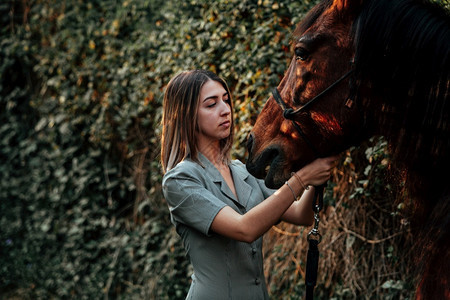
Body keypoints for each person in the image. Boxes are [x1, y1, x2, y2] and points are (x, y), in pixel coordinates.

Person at [160, 70, 337, 299]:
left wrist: (315, 172)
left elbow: (300, 215)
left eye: (225, 100)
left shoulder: (240, 170)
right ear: (186, 115)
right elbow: (244, 229)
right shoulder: (180, 180)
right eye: (211, 104)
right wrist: (301, 179)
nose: (225, 110)